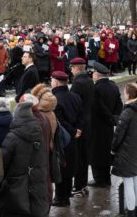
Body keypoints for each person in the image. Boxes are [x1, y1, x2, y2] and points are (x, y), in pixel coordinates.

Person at [0, 99, 49, 217]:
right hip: (37, 184)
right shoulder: (39, 133)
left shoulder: (12, 137)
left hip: (18, 186)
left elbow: (3, 162)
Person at [111, 83, 137, 217]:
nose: (123, 95)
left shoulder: (128, 112)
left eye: (124, 92)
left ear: (129, 94)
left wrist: (113, 149)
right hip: (136, 150)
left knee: (128, 183)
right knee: (135, 182)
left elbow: (118, 134)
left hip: (126, 152)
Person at [51, 71, 82, 207]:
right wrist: (77, 130)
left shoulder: (55, 99)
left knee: (61, 167)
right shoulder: (74, 96)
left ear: (56, 82)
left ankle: (60, 197)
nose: (51, 83)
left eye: (52, 80)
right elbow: (81, 115)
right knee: (69, 167)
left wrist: (72, 131)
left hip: (62, 138)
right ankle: (66, 194)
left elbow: (60, 121)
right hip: (75, 136)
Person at [90, 62, 123, 187]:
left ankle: (99, 179)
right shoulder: (113, 86)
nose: (92, 75)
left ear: (97, 75)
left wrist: (109, 117)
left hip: (97, 125)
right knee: (106, 151)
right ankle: (106, 177)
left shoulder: (96, 88)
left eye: (93, 73)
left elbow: (99, 107)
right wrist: (115, 117)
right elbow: (119, 104)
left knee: (96, 152)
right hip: (109, 125)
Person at [69, 57, 94, 196]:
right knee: (84, 156)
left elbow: (74, 104)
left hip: (80, 123)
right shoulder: (89, 80)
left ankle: (78, 186)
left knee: (79, 157)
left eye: (72, 67)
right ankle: (82, 184)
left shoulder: (78, 83)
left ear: (77, 68)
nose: (71, 70)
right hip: (88, 122)